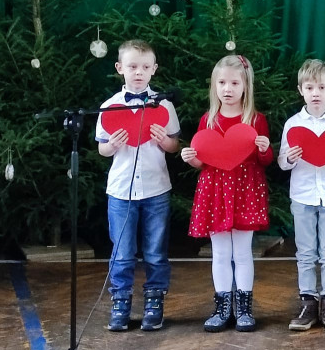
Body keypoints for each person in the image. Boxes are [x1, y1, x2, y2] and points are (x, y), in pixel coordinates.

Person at [181, 55, 272, 332]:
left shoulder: (256, 119)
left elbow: (265, 161)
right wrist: (191, 158)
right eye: (222, 82)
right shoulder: (208, 120)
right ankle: (222, 307)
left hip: (245, 190)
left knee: (242, 252)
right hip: (215, 191)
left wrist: (265, 147)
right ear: (214, 86)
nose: (227, 89)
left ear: (246, 86)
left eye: (234, 82)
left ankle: (244, 308)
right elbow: (203, 160)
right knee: (220, 253)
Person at [95, 40, 181, 332]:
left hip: (156, 189)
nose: (139, 72)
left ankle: (154, 301)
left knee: (156, 250)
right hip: (121, 192)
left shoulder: (164, 104)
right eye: (132, 66)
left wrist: (163, 140)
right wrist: (112, 146)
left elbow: (174, 146)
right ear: (120, 68)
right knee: (122, 251)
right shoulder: (109, 108)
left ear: (154, 69)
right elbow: (102, 150)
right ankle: (121, 302)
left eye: (145, 67)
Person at [277, 59, 325, 332]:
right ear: (301, 90)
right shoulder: (293, 124)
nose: (316, 93)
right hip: (303, 196)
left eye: (322, 87)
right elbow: (282, 163)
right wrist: (288, 157)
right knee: (306, 252)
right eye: (310, 87)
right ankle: (308, 300)